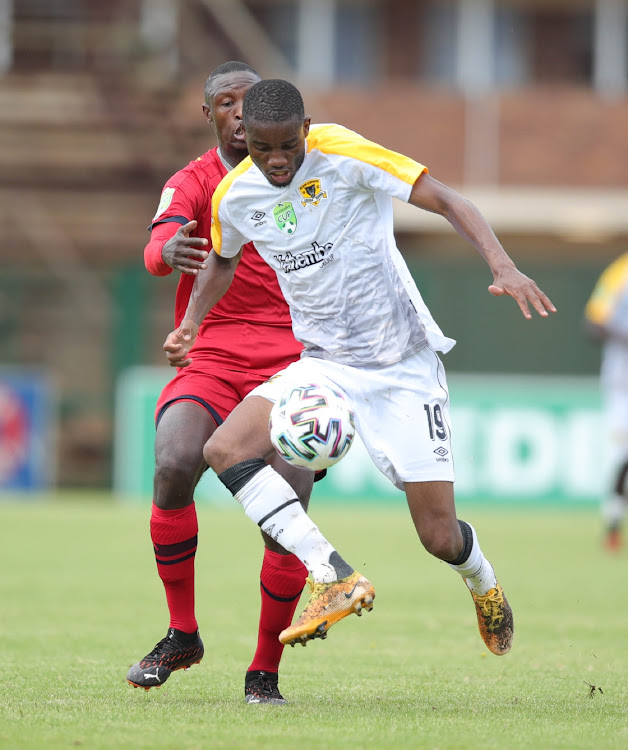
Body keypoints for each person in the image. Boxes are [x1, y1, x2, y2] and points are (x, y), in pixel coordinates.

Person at [164, 79, 556, 657]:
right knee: (224, 449)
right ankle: (334, 574)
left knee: (439, 537)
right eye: (261, 149)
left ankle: (483, 581)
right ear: (244, 137)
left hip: (403, 366)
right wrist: (193, 322)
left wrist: (503, 265)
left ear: (306, 129)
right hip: (324, 363)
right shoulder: (235, 196)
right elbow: (222, 259)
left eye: (288, 148)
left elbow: (448, 199)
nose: (276, 162)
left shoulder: (344, 152)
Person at [126, 63, 316, 705]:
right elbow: (158, 242)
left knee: (283, 512)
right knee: (175, 462)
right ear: (210, 114)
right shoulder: (194, 181)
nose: (239, 112)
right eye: (225, 103)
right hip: (211, 356)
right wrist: (167, 252)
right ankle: (183, 633)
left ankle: (265, 671)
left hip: (293, 365)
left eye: (249, 101)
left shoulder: (312, 172)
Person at [584, 252, 628, 550]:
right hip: (623, 382)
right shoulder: (620, 273)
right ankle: (613, 523)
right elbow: (593, 322)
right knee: (622, 454)